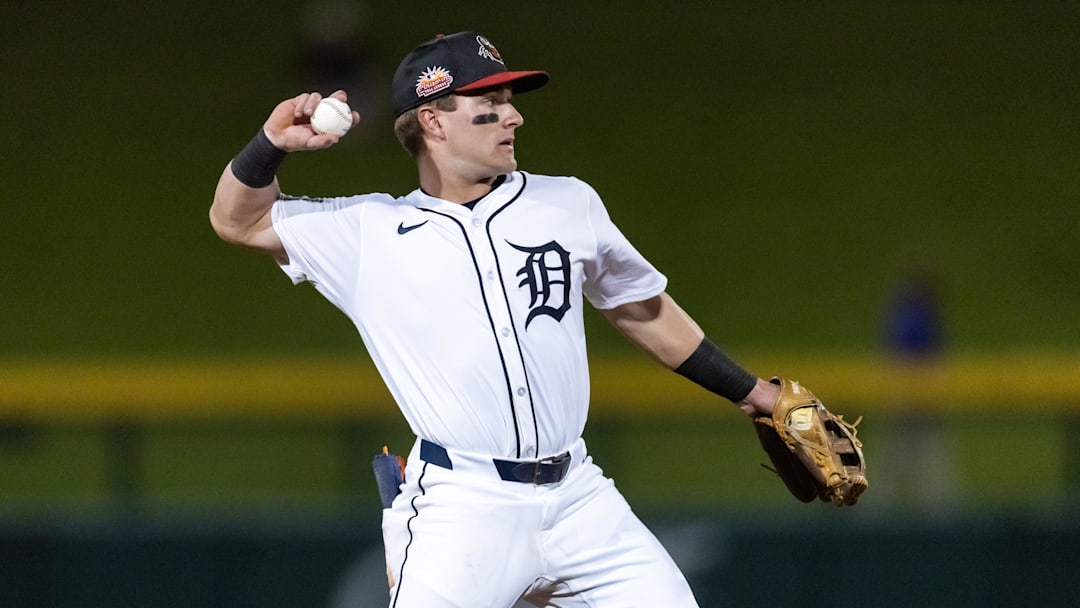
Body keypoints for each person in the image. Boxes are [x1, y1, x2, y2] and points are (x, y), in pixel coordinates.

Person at [210, 31, 781, 607]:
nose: (514, 118)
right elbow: (238, 221)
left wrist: (753, 394)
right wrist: (269, 144)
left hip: (580, 498)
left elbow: (641, 308)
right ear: (433, 122)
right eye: (490, 108)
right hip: (462, 507)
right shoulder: (367, 232)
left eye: (510, 102)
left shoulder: (567, 203)